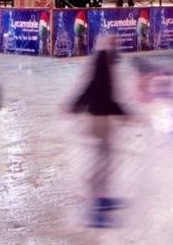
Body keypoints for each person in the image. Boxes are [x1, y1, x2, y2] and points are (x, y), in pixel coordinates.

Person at [69, 35, 128, 228]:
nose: (117, 49)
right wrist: (124, 113)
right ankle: (92, 208)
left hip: (103, 117)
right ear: (108, 46)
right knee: (100, 161)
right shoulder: (102, 62)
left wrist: (75, 105)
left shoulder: (106, 61)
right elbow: (95, 90)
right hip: (99, 118)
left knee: (105, 159)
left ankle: (101, 198)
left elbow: (94, 89)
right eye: (114, 45)